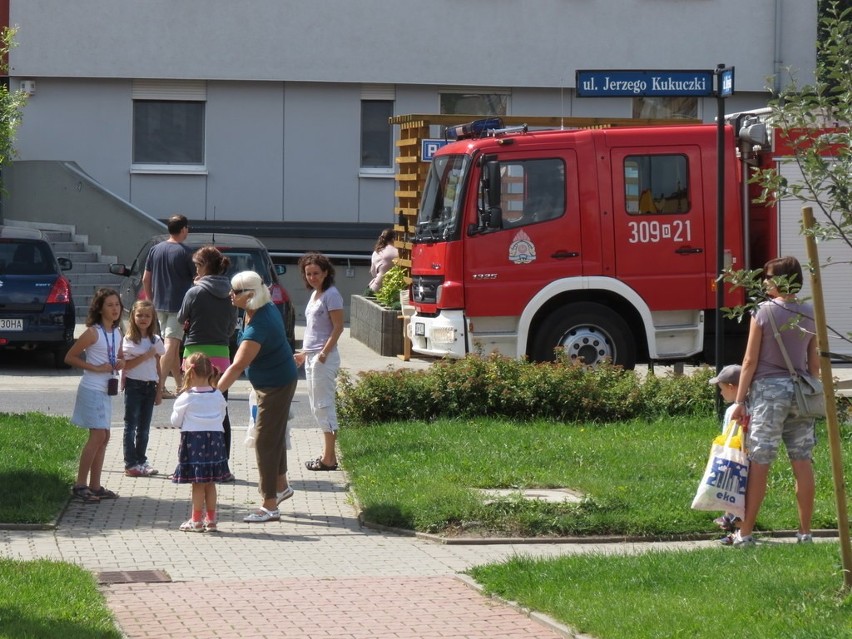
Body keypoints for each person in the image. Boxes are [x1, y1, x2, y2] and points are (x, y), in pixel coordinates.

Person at [727, 256, 819, 548]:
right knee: (802, 461)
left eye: (768, 276)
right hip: (802, 393)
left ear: (780, 280)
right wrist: (811, 387)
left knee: (760, 462)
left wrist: (739, 401)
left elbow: (750, 360)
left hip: (769, 393)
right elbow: (813, 362)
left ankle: (746, 532)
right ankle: (805, 533)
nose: (765, 281)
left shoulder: (763, 312)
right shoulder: (809, 313)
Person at [218, 270, 298, 523]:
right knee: (272, 436)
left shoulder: (259, 325)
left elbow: (236, 366)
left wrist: (211, 393)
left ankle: (269, 504)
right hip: (275, 379)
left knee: (264, 441)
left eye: (235, 291)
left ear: (249, 294)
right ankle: (282, 485)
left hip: (275, 385)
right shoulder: (259, 307)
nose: (230, 295)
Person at [178, 246, 237, 475]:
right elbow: (232, 327)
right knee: (221, 409)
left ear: (204, 266)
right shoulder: (230, 292)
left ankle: (193, 463)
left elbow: (182, 316)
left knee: (191, 406)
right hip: (221, 355)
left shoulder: (194, 292)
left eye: (197, 265)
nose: (196, 269)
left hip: (194, 352)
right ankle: (223, 466)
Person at [65, 288, 125, 503]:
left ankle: (95, 486)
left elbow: (118, 355)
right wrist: (95, 367)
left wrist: (121, 362)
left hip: (106, 390)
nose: (115, 309)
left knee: (105, 437)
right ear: (100, 308)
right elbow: (70, 357)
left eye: (117, 304)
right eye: (110, 305)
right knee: (98, 436)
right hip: (91, 388)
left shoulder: (117, 332)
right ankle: (80, 485)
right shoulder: (93, 332)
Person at [295, 252, 344, 471]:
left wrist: (323, 353)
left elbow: (338, 327)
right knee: (316, 406)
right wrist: (305, 353)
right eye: (308, 274)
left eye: (316, 273)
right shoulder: (316, 294)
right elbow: (314, 330)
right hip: (313, 356)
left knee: (324, 405)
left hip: (324, 358)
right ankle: (328, 457)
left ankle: (329, 458)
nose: (312, 277)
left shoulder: (331, 295)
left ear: (326, 273)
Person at [170, 352, 230, 532]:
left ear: (190, 373)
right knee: (210, 482)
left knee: (198, 483)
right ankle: (211, 520)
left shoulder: (186, 397)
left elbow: (175, 420)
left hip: (194, 442)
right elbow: (222, 416)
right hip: (215, 441)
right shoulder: (218, 394)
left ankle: (196, 520)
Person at [143, 214, 194, 398]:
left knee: (172, 344)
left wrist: (150, 301)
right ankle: (159, 386)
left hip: (158, 305)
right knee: (171, 346)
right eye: (187, 228)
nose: (188, 231)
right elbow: (196, 279)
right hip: (178, 307)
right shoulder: (186, 252)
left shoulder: (155, 249)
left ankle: (180, 385)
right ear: (182, 229)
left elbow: (145, 279)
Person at [121, 299, 166, 477]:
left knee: (144, 428)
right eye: (140, 315)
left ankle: (141, 460)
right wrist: (147, 354)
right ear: (133, 316)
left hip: (150, 386)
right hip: (134, 385)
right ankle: (130, 463)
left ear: (153, 318)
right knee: (130, 425)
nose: (143, 319)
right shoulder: (129, 340)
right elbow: (128, 365)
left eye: (147, 316)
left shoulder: (155, 340)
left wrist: (159, 390)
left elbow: (158, 365)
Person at [708, 363, 744, 533]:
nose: (721, 393)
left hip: (732, 455)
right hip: (745, 455)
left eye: (722, 389)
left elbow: (729, 435)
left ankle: (731, 521)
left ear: (731, 387)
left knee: (730, 489)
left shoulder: (732, 411)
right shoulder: (749, 406)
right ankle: (731, 519)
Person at [367, 228, 398, 294]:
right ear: (393, 239)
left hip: (377, 287)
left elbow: (373, 273)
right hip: (394, 289)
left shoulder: (377, 252)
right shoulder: (398, 252)